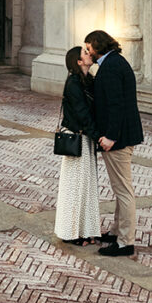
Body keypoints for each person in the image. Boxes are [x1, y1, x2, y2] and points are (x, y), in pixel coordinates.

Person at [85, 29, 144, 256]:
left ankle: (125, 242)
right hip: (123, 135)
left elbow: (116, 106)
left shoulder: (110, 68)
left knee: (123, 190)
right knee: (121, 188)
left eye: (89, 47)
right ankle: (118, 230)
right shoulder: (115, 62)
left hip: (119, 138)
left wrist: (110, 136)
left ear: (97, 46)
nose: (87, 50)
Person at [53, 45, 101, 247]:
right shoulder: (73, 83)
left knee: (86, 186)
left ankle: (86, 229)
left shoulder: (87, 80)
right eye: (84, 53)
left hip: (86, 138)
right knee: (74, 187)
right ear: (78, 61)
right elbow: (82, 113)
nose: (89, 54)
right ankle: (70, 232)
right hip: (77, 138)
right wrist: (99, 137)